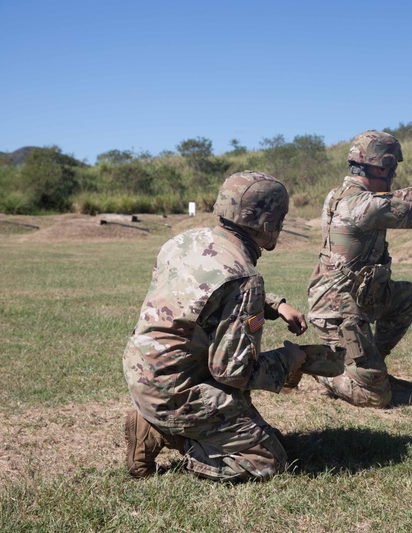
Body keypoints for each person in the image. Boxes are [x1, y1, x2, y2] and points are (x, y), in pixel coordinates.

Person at [123, 171, 310, 482]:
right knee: (267, 460)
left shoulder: (184, 242)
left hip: (142, 371)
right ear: (268, 223)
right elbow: (233, 371)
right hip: (177, 391)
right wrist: (290, 362)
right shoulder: (243, 276)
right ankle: (164, 433)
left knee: (258, 430)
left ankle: (160, 420)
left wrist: (275, 304)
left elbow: (208, 296)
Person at [307, 130, 412, 407]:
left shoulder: (343, 194)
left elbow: (395, 196)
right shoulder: (366, 205)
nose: (394, 173)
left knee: (405, 295)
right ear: (384, 165)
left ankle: (372, 365)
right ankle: (320, 367)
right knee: (375, 397)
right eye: (393, 166)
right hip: (337, 310)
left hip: (356, 297)